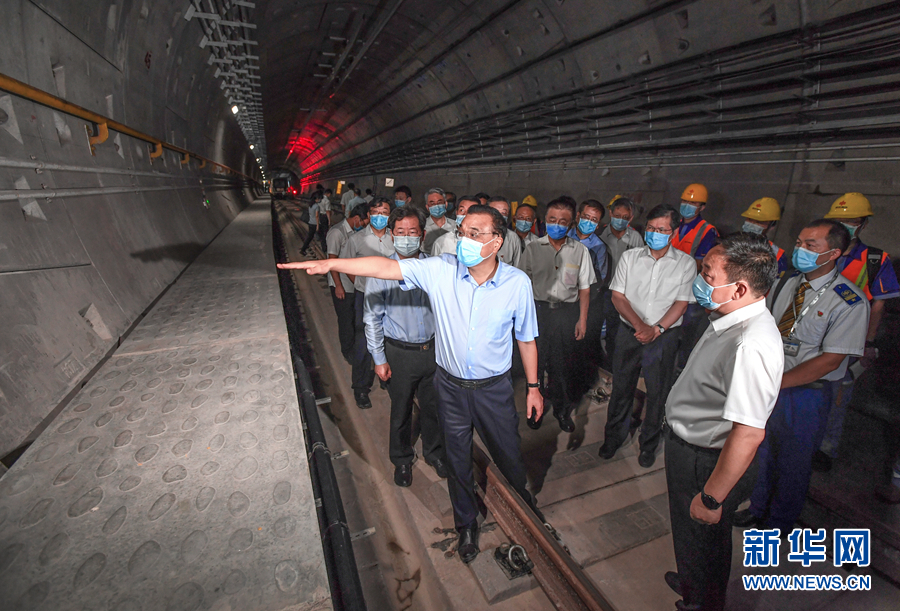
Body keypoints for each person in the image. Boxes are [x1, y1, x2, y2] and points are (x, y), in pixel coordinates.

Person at [278, 205, 546, 565]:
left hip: (493, 390)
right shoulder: (441, 270)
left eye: (474, 233)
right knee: (456, 458)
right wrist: (332, 264)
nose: (464, 240)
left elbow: (526, 339)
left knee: (509, 454)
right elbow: (385, 267)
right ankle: (466, 524)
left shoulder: (517, 284)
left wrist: (532, 387)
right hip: (449, 387)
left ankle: (525, 509)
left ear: (496, 241)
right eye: (462, 232)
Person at [664, 233, 784, 611]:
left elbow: (748, 433)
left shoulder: (750, 343)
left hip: (706, 462)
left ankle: (701, 602)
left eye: (708, 275)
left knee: (704, 538)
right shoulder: (728, 317)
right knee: (691, 536)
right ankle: (690, 581)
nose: (699, 282)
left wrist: (713, 496)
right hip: (692, 449)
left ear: (740, 288)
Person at [734, 220, 870, 533]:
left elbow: (830, 360)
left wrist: (778, 383)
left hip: (807, 392)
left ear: (833, 253)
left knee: (794, 460)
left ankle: (780, 520)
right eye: (799, 242)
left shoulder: (849, 301)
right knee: (761, 449)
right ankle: (757, 508)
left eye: (811, 245)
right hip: (769, 381)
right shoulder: (785, 283)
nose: (800, 250)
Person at [600, 205, 695, 468]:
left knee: (657, 394)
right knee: (621, 388)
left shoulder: (685, 264)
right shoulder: (630, 258)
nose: (655, 234)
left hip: (663, 337)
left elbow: (681, 303)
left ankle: (648, 445)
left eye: (661, 230)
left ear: (673, 232)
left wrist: (657, 329)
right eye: (651, 229)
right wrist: (640, 326)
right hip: (629, 334)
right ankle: (613, 438)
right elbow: (618, 296)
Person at [815, 193, 900, 476]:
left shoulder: (875, 259)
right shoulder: (819, 252)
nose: (845, 225)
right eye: (840, 220)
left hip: (848, 339)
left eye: (851, 221)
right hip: (813, 335)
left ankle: (826, 448)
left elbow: (879, 303)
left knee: (838, 396)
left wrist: (869, 342)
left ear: (862, 224)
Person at [364, 206, 448, 486]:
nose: (407, 237)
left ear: (422, 235)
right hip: (399, 353)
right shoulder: (381, 271)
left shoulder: (436, 268)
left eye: (413, 232)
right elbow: (372, 318)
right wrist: (379, 358)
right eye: (400, 232)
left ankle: (434, 453)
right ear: (391, 234)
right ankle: (401, 459)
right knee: (401, 410)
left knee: (433, 407)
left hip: (433, 351)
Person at [518, 198, 595, 432]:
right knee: (536, 364)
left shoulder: (580, 251)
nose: (557, 225)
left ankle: (562, 410)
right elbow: (522, 284)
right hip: (538, 313)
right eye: (552, 220)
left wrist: (582, 319)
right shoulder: (532, 249)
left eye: (563, 221)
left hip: (566, 314)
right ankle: (535, 409)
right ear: (544, 222)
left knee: (563, 367)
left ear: (572, 224)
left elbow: (585, 288)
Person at [340, 198, 395, 409]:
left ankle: (386, 378)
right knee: (363, 343)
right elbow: (347, 266)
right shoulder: (357, 239)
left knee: (390, 339)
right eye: (375, 212)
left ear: (390, 215)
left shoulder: (395, 237)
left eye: (384, 212)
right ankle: (361, 388)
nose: (380, 216)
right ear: (369, 214)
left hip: (392, 296)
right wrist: (362, 285)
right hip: (366, 297)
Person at [673, 184, 720, 367]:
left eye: (693, 203)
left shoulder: (707, 230)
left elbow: (701, 262)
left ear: (702, 207)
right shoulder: (675, 223)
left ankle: (681, 369)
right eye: (684, 201)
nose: (687, 205)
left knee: (685, 333)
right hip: (667, 284)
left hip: (688, 289)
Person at [599, 196, 644, 364]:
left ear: (631, 218)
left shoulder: (635, 238)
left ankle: (615, 362)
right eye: (617, 216)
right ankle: (602, 360)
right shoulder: (601, 235)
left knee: (619, 329)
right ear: (610, 213)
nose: (620, 220)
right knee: (598, 327)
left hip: (625, 293)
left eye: (625, 218)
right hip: (603, 290)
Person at [569, 199, 609, 369]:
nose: (589, 222)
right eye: (586, 217)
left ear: (599, 224)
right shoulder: (562, 237)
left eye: (594, 220)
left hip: (582, 303)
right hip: (557, 300)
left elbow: (599, 282)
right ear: (578, 216)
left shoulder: (599, 248)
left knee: (579, 346)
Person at [328, 204, 368, 363]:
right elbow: (332, 260)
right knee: (345, 320)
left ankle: (354, 348)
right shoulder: (337, 233)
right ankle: (347, 352)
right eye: (364, 223)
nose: (363, 226)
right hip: (342, 285)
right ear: (357, 218)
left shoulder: (355, 234)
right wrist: (338, 285)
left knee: (353, 319)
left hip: (354, 284)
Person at [738, 197, 788, 277]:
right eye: (750, 219)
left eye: (759, 222)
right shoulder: (728, 243)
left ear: (772, 226)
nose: (753, 224)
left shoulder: (777, 255)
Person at [488, 196, 522, 266]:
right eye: (495, 212)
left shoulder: (513, 238)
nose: (499, 216)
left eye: (503, 213)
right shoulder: (476, 235)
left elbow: (518, 267)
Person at [423, 187, 452, 255]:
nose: (436, 206)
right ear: (427, 207)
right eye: (432, 203)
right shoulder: (422, 226)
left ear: (446, 204)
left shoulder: (455, 226)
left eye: (439, 202)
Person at [300, 191, 322, 256]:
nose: (319, 200)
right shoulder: (317, 206)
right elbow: (317, 216)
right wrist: (318, 225)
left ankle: (304, 249)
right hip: (315, 224)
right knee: (319, 236)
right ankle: (303, 249)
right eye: (318, 199)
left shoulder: (310, 206)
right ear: (315, 199)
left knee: (310, 237)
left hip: (310, 223)